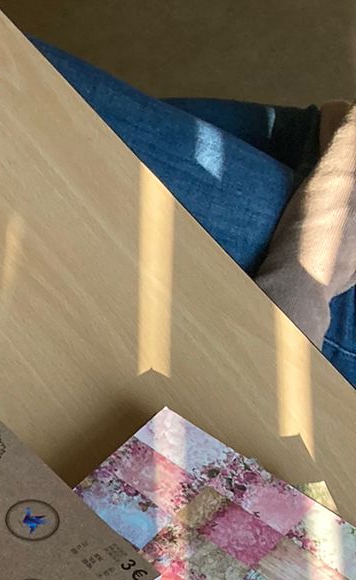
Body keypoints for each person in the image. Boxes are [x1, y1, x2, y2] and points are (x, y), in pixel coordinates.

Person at [36, 44, 356, 388]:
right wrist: (300, 297)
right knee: (39, 110)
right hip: (329, 157)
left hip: (336, 308)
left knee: (46, 129)